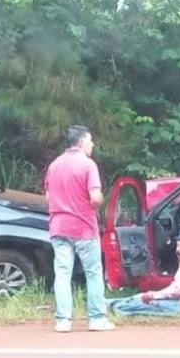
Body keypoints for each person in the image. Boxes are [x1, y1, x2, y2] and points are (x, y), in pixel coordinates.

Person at [44, 125, 115, 333]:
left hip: (58, 227)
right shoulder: (88, 165)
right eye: (90, 140)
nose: (92, 144)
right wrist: (98, 202)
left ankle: (63, 321)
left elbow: (49, 198)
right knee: (93, 272)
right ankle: (97, 318)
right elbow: (94, 197)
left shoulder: (54, 165)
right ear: (82, 141)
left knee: (62, 273)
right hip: (83, 227)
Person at [106, 227, 180, 318]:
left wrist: (154, 295)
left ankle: (109, 306)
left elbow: (177, 290)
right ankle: (106, 303)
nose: (177, 249)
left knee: (139, 303)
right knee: (140, 297)